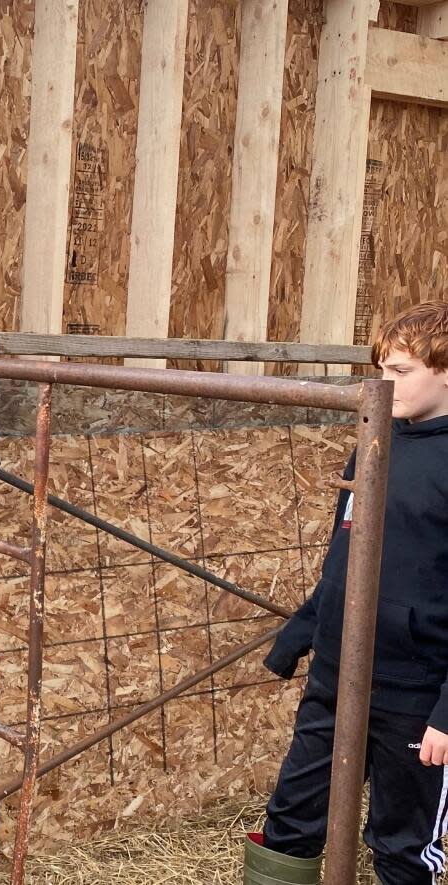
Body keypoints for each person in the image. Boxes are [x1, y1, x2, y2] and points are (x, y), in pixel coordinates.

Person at [246, 300, 448, 885]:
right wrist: (309, 625)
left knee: (402, 840)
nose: (383, 385)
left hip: (417, 693)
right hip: (338, 675)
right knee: (292, 816)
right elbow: (348, 548)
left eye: (401, 372)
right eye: (381, 369)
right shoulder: (373, 442)